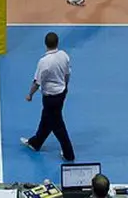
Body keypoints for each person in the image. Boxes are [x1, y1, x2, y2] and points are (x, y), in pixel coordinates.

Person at [21, 31, 76, 162]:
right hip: (62, 93)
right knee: (47, 118)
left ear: (45, 44)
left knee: (57, 125)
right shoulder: (64, 55)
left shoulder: (44, 62)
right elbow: (67, 74)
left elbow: (37, 82)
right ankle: (36, 143)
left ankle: (69, 154)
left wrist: (30, 94)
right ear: (57, 43)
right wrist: (65, 86)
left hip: (50, 97)